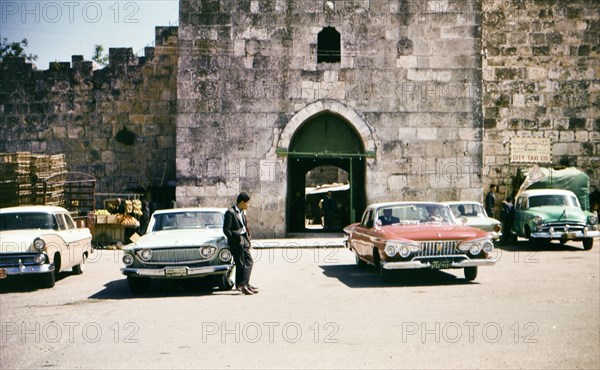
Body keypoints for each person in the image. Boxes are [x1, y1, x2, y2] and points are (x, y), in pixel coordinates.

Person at [223, 192, 258, 295]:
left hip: (244, 240)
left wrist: (247, 240)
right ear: (242, 202)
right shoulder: (230, 212)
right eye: (247, 203)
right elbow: (226, 230)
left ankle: (245, 284)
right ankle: (243, 286)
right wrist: (234, 240)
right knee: (242, 264)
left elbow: (244, 227)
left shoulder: (242, 211)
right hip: (236, 242)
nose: (248, 205)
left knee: (248, 262)